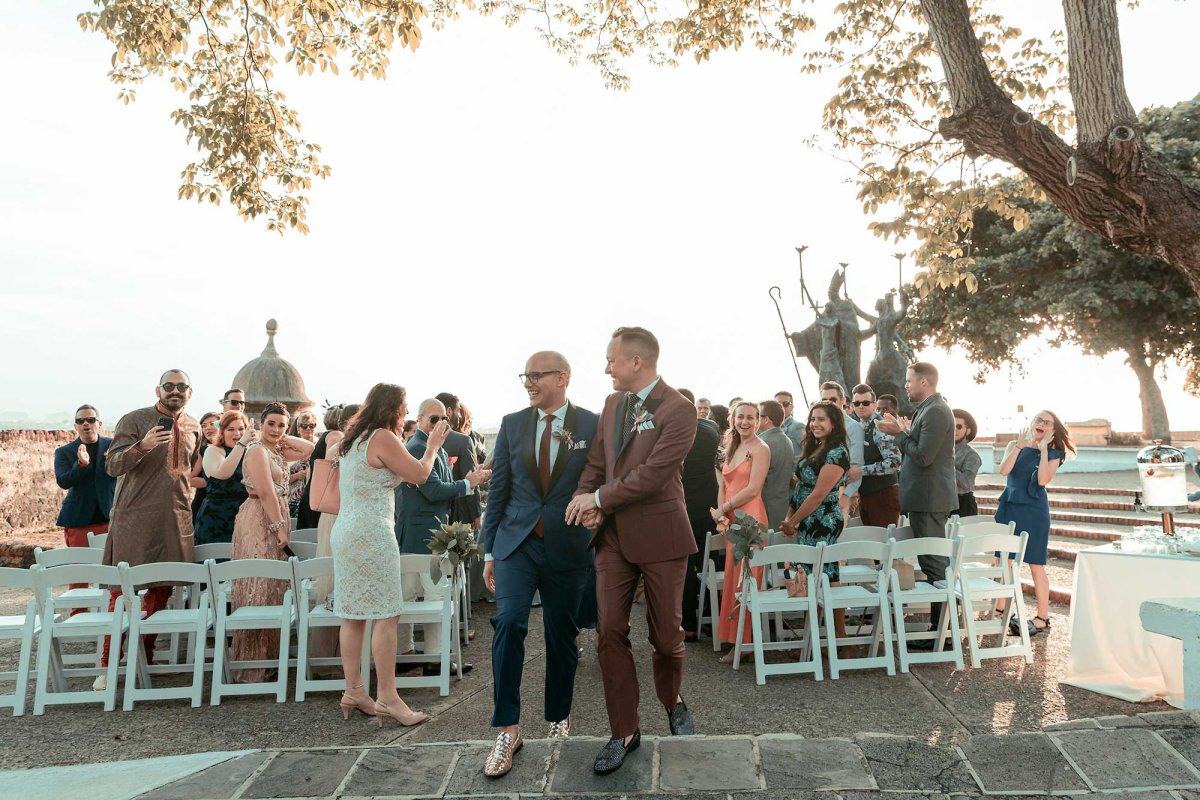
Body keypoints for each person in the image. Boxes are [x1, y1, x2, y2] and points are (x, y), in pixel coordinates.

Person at [566, 326, 697, 776]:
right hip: (613, 539)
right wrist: (584, 498)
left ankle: (671, 698)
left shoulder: (678, 410)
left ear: (636, 362)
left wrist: (600, 500)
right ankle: (624, 730)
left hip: (661, 536)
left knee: (665, 637)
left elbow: (656, 474)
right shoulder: (611, 404)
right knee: (609, 632)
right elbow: (598, 464)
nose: (606, 367)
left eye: (611, 359)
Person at [478, 351, 600, 777]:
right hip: (516, 543)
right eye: (524, 376)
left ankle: (558, 717)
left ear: (562, 378)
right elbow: (499, 490)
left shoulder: (591, 423)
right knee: (509, 623)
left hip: (569, 545)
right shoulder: (513, 424)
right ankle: (508, 729)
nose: (528, 383)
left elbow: (602, 480)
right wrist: (490, 550)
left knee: (561, 635)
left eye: (536, 376)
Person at [329, 383, 449, 726]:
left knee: (352, 614)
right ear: (392, 407)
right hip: (371, 533)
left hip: (346, 530)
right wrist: (433, 446)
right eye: (405, 407)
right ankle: (388, 697)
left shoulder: (354, 439)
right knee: (387, 614)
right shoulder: (382, 437)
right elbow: (422, 475)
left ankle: (354, 690)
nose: (407, 413)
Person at [97, 370, 203, 690]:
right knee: (123, 592)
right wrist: (141, 446)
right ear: (157, 390)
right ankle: (107, 663)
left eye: (181, 387)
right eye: (169, 386)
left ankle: (145, 656)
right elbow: (112, 465)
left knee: (162, 589)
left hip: (174, 518)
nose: (175, 391)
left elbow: (191, 469)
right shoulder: (134, 419)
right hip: (134, 518)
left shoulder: (195, 426)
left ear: (190, 392)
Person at [395, 398, 489, 674]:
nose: (438, 425)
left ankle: (409, 652)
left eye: (442, 420)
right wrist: (467, 483)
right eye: (432, 419)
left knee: (411, 594)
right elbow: (434, 490)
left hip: (426, 532)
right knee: (432, 596)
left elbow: (441, 485)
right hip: (424, 536)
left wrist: (466, 480)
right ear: (420, 418)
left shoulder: (432, 447)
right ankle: (432, 660)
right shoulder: (417, 447)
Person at [230, 403, 315, 682]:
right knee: (259, 584)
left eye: (281, 424)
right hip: (259, 518)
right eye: (271, 424)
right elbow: (266, 492)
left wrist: (280, 436)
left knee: (274, 588)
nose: (276, 429)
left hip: (276, 514)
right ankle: (253, 666)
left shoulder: (276, 449)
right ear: (260, 424)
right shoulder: (256, 451)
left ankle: (269, 659)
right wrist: (279, 528)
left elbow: (309, 450)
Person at [876, 362, 957, 649]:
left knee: (935, 563)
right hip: (924, 496)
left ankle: (944, 633)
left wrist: (898, 434)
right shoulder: (928, 409)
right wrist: (901, 430)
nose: (906, 385)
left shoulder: (936, 411)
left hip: (930, 497)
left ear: (924, 382)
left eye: (909, 380)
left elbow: (924, 457)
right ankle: (941, 629)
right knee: (931, 560)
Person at [996, 410, 1074, 638]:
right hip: (1009, 506)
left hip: (1034, 511)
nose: (1041, 424)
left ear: (1053, 430)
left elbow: (1042, 480)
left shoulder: (1055, 453)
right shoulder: (1014, 444)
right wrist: (1020, 447)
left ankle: (1042, 617)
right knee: (1004, 560)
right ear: (1032, 423)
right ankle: (1001, 610)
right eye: (1038, 420)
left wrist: (1042, 452)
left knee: (1035, 565)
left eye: (1047, 422)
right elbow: (1004, 471)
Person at [780, 401, 850, 638]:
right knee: (809, 578)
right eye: (812, 419)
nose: (815, 424)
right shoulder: (815, 447)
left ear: (834, 424)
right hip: (806, 519)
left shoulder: (837, 452)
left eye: (821, 419)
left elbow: (818, 495)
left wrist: (793, 522)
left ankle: (840, 639)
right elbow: (800, 486)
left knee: (828, 579)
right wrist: (789, 516)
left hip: (823, 520)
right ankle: (812, 640)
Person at [713, 401, 770, 664]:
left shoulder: (761, 448)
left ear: (758, 421)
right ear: (732, 419)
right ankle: (736, 640)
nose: (744, 421)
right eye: (740, 417)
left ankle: (745, 643)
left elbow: (753, 489)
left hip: (750, 519)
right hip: (732, 518)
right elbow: (724, 483)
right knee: (734, 579)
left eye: (750, 417)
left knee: (746, 581)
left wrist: (724, 508)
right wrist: (722, 514)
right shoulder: (732, 446)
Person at [677, 389, 721, 643]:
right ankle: (710, 619)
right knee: (711, 563)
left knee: (686, 568)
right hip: (710, 506)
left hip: (684, 506)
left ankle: (689, 624)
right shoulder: (710, 429)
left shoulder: (675, 432)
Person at [435, 392, 486, 604]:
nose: (458, 414)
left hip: (434, 512)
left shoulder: (416, 440)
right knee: (459, 565)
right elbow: (471, 481)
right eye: (456, 410)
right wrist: (475, 514)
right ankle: (460, 617)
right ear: (449, 411)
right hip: (459, 513)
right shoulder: (463, 440)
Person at [55, 405, 116, 550]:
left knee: (111, 567)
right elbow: (63, 481)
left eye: (90, 419)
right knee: (82, 567)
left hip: (110, 517)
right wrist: (81, 465)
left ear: (99, 424)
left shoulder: (113, 446)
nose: (86, 424)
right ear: (75, 426)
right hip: (79, 519)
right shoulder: (64, 452)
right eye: (80, 421)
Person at [193, 410, 253, 545]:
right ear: (222, 431)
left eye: (241, 429)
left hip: (245, 516)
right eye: (230, 429)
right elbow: (223, 474)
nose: (237, 433)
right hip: (216, 518)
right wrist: (241, 444)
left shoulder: (251, 452)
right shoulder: (213, 450)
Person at [851, 385, 902, 528]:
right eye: (856, 403)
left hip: (883, 496)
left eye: (865, 403)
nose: (860, 406)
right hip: (867, 496)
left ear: (874, 405)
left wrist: (861, 471)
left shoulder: (881, 427)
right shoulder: (860, 426)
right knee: (871, 546)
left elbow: (894, 463)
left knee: (883, 545)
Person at [820, 382, 864, 517]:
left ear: (843, 400)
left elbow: (856, 468)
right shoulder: (818, 426)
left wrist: (845, 498)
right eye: (824, 400)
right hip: (820, 493)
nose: (828, 403)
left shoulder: (853, 428)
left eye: (832, 399)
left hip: (841, 493)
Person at [756, 399, 795, 533]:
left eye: (757, 415)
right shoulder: (787, 440)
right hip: (782, 504)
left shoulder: (763, 443)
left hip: (765, 506)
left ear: (766, 419)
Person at [285, 410, 319, 516]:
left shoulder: (320, 447)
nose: (308, 429)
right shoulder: (289, 447)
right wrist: (297, 476)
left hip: (314, 496)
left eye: (312, 425)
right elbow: (280, 478)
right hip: (293, 498)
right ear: (298, 429)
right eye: (304, 426)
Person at [189, 411, 222, 521]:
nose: (207, 428)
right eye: (204, 426)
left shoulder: (236, 449)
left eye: (212, 424)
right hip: (204, 507)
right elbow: (189, 479)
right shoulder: (201, 451)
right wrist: (215, 483)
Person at [953, 409, 983, 517]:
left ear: (968, 431)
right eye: (951, 425)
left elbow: (966, 484)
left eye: (959, 426)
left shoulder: (972, 455)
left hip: (962, 506)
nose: (954, 429)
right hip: (940, 503)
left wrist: (945, 464)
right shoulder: (940, 450)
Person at [774, 391, 805, 457]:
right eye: (778, 404)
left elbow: (808, 450)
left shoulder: (798, 426)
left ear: (791, 407)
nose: (781, 407)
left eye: (785, 403)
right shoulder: (770, 427)